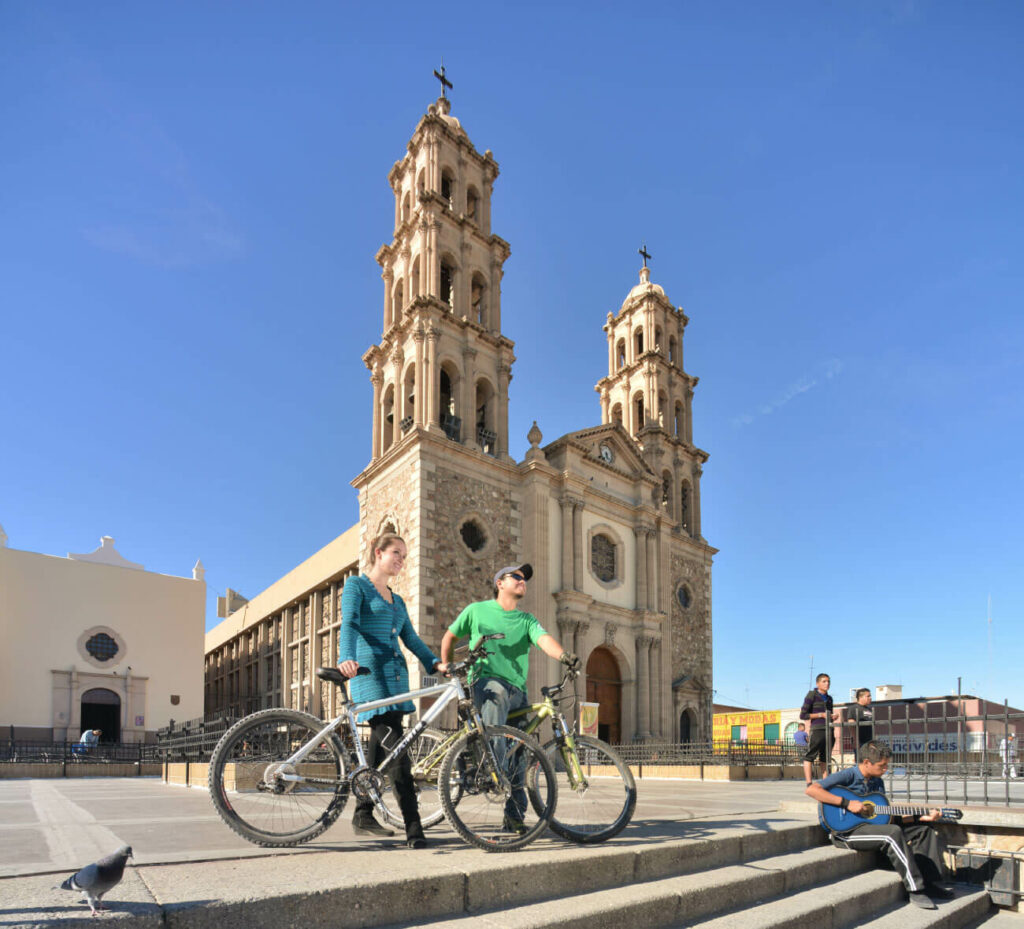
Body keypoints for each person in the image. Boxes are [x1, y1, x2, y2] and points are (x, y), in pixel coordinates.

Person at [439, 562, 579, 833]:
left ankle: (514, 817)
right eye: (516, 576)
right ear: (500, 583)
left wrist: (564, 656)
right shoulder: (476, 610)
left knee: (520, 751)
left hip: (518, 690)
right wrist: (446, 666)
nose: (522, 580)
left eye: (524, 578)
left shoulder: (526, 620)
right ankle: (492, 772)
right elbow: (450, 636)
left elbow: (543, 639)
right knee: (499, 702)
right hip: (486, 682)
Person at [338, 532, 446, 848]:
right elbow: (351, 624)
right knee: (398, 752)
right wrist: (347, 656)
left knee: (380, 750)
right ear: (378, 552)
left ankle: (362, 813)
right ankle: (414, 828)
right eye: (396, 553)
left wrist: (435, 663)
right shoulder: (357, 586)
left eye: (404, 556)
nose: (400, 560)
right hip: (369, 675)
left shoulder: (397, 601)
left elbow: (410, 639)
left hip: (395, 680)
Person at [806, 740, 955, 909]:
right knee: (891, 834)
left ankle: (929, 884)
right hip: (846, 832)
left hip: (870, 827)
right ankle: (916, 890)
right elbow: (812, 789)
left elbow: (884, 817)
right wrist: (846, 804)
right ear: (867, 763)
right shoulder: (849, 775)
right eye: (882, 766)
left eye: (887, 766)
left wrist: (919, 817)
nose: (885, 770)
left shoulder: (877, 782)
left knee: (923, 830)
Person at [800, 673, 841, 785]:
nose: (827, 683)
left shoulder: (829, 698)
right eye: (824, 681)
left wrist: (833, 716)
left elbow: (828, 714)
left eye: (828, 681)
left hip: (829, 730)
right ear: (818, 683)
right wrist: (820, 715)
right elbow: (803, 715)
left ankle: (826, 783)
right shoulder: (812, 695)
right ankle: (809, 783)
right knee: (810, 756)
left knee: (826, 758)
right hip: (817, 730)